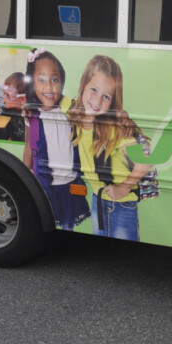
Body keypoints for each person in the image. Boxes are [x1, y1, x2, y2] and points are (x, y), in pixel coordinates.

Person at [71, 55, 151, 242]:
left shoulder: (116, 130)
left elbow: (144, 162)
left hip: (121, 206)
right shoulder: (78, 117)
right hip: (97, 200)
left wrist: (123, 188)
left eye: (106, 96)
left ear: (113, 101)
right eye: (94, 90)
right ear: (83, 85)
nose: (97, 101)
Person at [22, 49, 89, 230]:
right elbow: (29, 144)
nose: (49, 87)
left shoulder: (68, 110)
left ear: (62, 82)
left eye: (54, 80)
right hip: (45, 184)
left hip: (70, 184)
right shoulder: (33, 113)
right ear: (32, 83)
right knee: (45, 221)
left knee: (69, 224)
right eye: (41, 80)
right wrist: (24, 175)